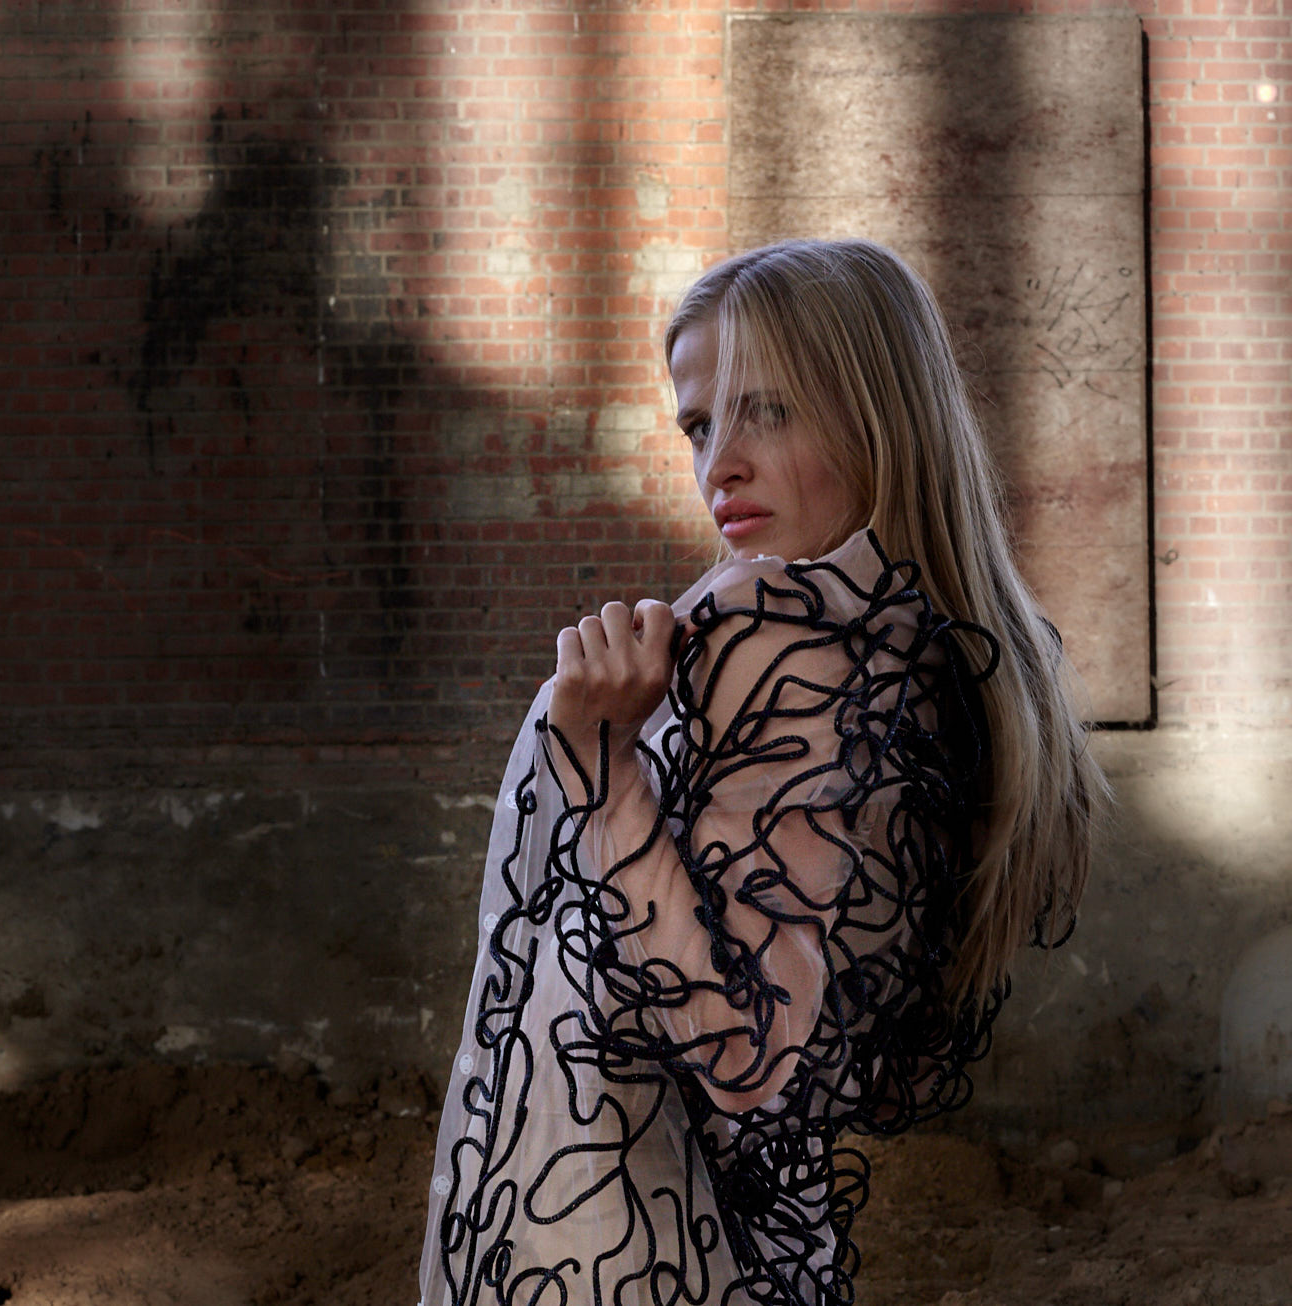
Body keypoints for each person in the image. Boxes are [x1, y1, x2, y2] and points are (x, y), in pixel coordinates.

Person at [417, 238, 1106, 1306]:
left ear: (877, 419)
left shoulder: (779, 643)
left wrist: (603, 765)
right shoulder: (917, 657)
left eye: (768, 412)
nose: (719, 465)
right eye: (699, 425)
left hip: (606, 1242)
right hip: (732, 1243)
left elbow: (746, 1053)